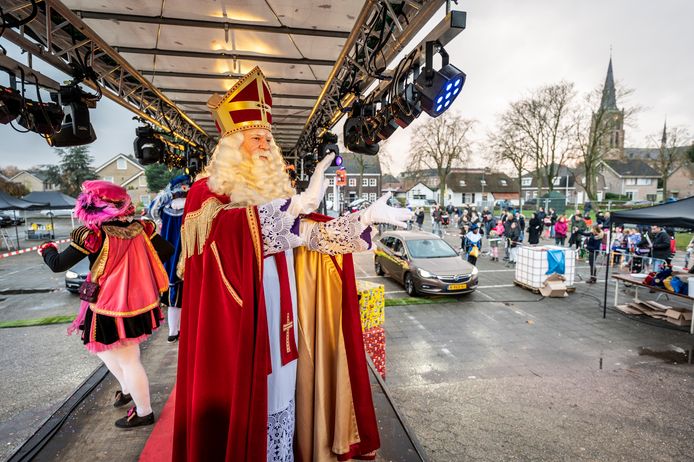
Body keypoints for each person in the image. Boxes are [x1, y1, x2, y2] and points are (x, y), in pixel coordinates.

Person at [173, 67, 409, 462]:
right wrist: (297, 205)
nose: (266, 144)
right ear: (232, 144)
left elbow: (312, 236)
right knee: (254, 395)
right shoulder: (206, 192)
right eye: (256, 138)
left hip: (285, 308)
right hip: (242, 320)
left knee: (283, 390)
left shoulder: (275, 193)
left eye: (268, 137)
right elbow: (228, 237)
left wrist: (364, 218)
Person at [39, 181, 174, 428]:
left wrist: (46, 249)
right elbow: (166, 250)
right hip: (138, 302)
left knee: (129, 359)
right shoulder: (141, 228)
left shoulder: (93, 234)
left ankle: (144, 411)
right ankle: (126, 388)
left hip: (110, 306)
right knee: (102, 349)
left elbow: (58, 264)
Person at [149, 174, 191, 342]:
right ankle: (187, 331)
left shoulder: (163, 208)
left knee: (174, 299)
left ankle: (173, 332)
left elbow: (153, 211)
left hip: (170, 256)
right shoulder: (192, 206)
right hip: (188, 252)